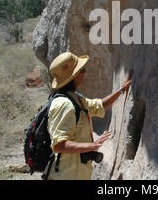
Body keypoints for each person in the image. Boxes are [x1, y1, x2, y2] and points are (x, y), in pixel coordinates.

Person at [45, 51, 132, 180]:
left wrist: (121, 90)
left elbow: (99, 106)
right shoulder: (64, 104)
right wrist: (91, 146)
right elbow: (59, 145)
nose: (85, 72)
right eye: (82, 69)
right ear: (73, 76)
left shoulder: (75, 99)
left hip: (76, 173)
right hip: (67, 175)